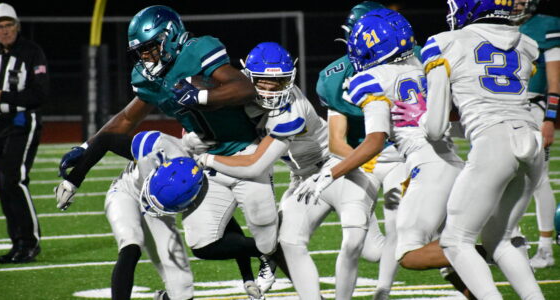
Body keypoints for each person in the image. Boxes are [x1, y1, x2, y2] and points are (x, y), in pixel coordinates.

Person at [57, 5, 279, 293]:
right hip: (205, 155)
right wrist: (87, 146)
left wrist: (201, 94)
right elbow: (127, 118)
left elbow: (245, 89)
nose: (145, 56)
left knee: (268, 230)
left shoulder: (197, 51)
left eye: (150, 47)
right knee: (205, 243)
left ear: (170, 36)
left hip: (244, 151)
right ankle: (262, 258)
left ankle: (277, 260)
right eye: (140, 51)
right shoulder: (148, 77)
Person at [197, 41, 378, 300]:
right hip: (302, 178)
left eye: (278, 83)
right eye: (262, 82)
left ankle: (440, 249)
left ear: (289, 80)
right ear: (247, 77)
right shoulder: (241, 97)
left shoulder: (291, 110)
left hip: (336, 169)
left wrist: (207, 158)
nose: (270, 90)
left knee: (372, 250)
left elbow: (256, 166)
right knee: (288, 242)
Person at [422, 0, 545, 299]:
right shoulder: (527, 44)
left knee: (455, 241)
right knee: (500, 239)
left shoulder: (444, 43)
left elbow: (436, 128)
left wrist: (420, 119)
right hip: (532, 141)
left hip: (494, 143)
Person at [55, 130, 266, 300]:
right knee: (131, 245)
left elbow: (226, 225)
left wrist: (247, 277)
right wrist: (73, 180)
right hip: (127, 193)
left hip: (162, 213)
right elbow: (106, 139)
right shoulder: (154, 147)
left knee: (182, 291)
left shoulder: (203, 181)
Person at [316, 2, 409, 298]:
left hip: (401, 157)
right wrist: (363, 161)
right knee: (358, 244)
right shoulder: (335, 76)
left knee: (399, 229)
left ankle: (382, 292)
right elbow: (336, 141)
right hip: (359, 160)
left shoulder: (411, 62)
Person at [0, 2, 49, 264]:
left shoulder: (32, 52)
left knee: (15, 179)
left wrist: (4, 95)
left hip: (23, 121)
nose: (4, 31)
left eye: (8, 25)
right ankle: (17, 244)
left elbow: (40, 93)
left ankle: (30, 242)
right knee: (3, 186)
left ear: (17, 26)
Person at [511, 0, 560, 269]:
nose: (515, 4)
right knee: (506, 177)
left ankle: (545, 249)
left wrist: (550, 119)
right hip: (505, 109)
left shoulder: (547, 25)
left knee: (538, 179)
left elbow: (555, 80)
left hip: (534, 109)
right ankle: (513, 242)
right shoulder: (501, 26)